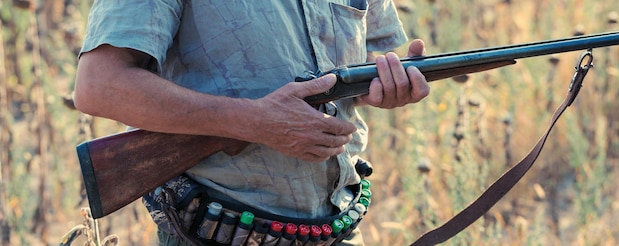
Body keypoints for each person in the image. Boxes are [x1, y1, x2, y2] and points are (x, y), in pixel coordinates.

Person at [74, 1, 429, 245]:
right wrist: (252, 122)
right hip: (214, 232)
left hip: (339, 228)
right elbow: (100, 86)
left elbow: (362, 55)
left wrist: (387, 79)